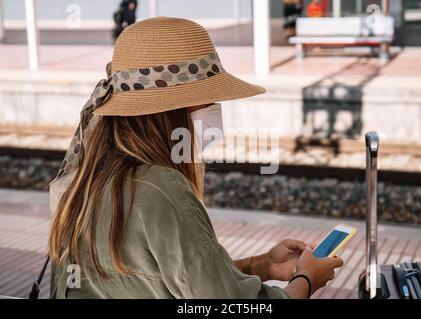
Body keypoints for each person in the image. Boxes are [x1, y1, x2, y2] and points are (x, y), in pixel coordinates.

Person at [48, 17, 344, 299]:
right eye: (208, 100)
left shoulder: (87, 180)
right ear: (173, 112)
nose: (215, 109)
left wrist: (262, 265)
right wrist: (306, 280)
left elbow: (159, 277)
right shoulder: (161, 187)